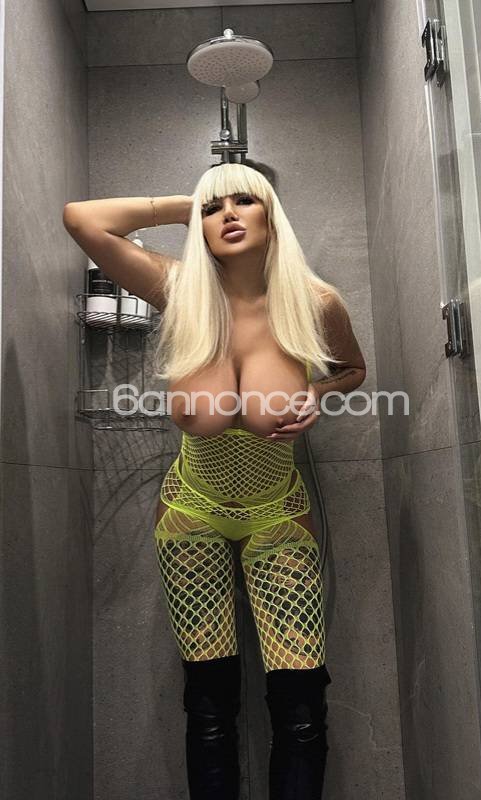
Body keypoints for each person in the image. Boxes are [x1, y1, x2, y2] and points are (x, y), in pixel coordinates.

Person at [62, 162, 366, 800]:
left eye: (244, 201)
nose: (227, 214)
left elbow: (353, 370)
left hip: (279, 514)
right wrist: (189, 202)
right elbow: (83, 220)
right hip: (190, 513)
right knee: (208, 701)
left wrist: (319, 393)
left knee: (301, 701)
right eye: (213, 208)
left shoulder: (315, 302)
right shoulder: (179, 289)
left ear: (271, 215)